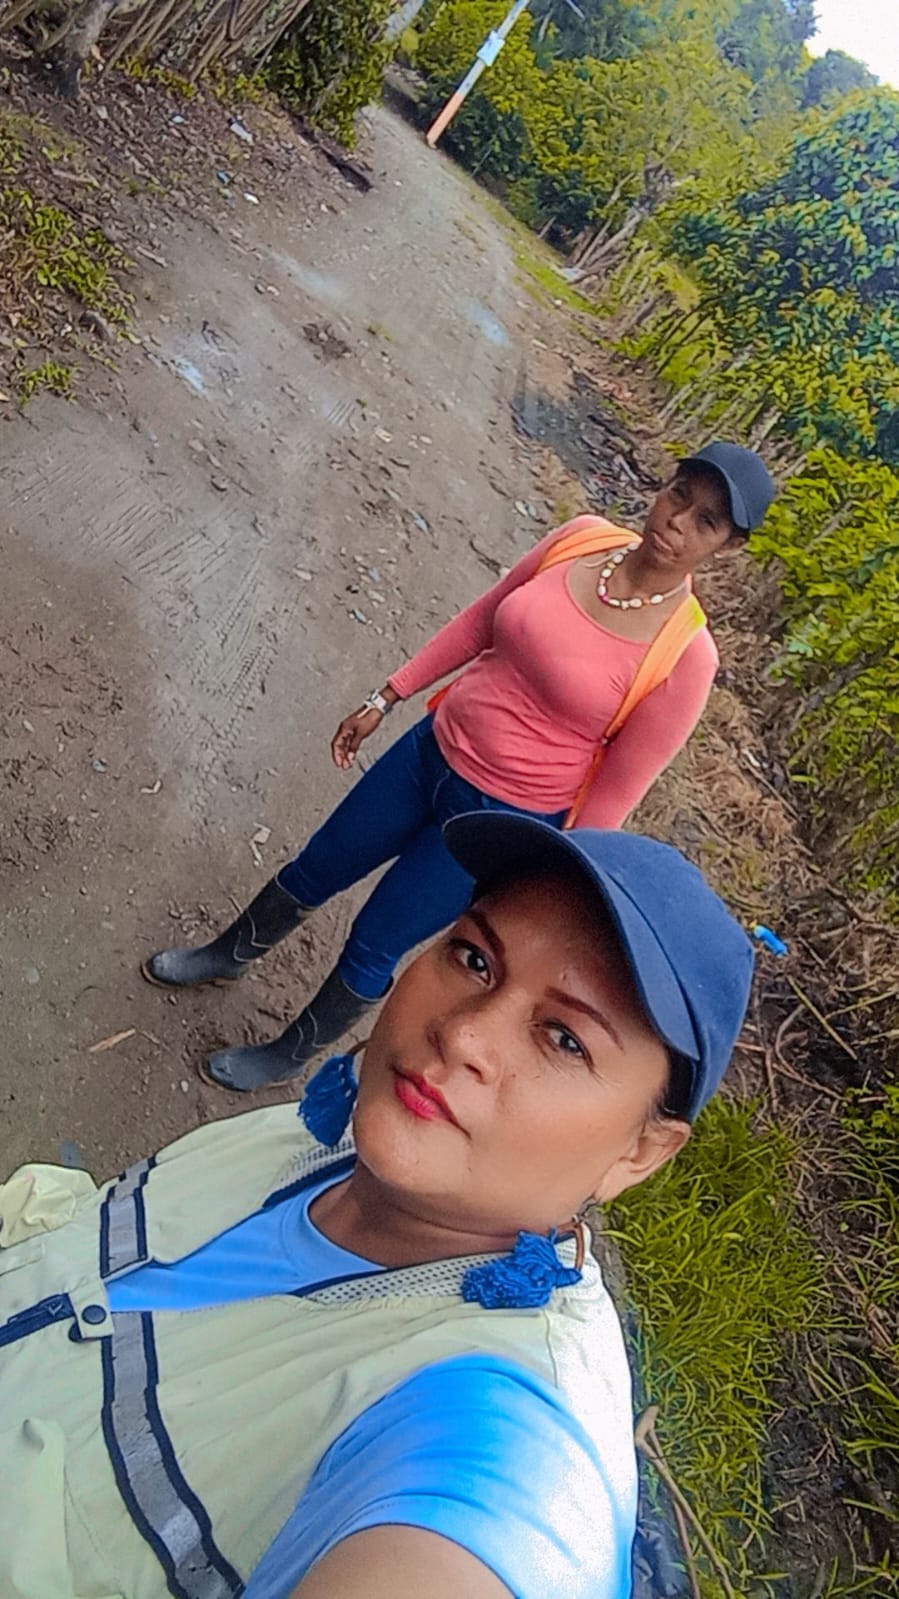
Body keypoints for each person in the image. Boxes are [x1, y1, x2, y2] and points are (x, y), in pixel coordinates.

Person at [0, 813, 753, 1599]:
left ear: (640, 1152)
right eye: (474, 958)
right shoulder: (331, 1135)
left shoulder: (505, 1435)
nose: (464, 1034)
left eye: (564, 1038)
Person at [143, 441, 773, 1092]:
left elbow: (615, 793)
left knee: (375, 939)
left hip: (497, 821)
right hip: (430, 751)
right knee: (316, 866)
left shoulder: (684, 656)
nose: (676, 521)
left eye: (705, 521)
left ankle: (285, 1055)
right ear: (663, 487)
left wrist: (555, 889)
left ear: (726, 547)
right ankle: (226, 954)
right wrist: (387, 695)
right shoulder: (581, 541)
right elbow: (482, 618)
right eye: (678, 494)